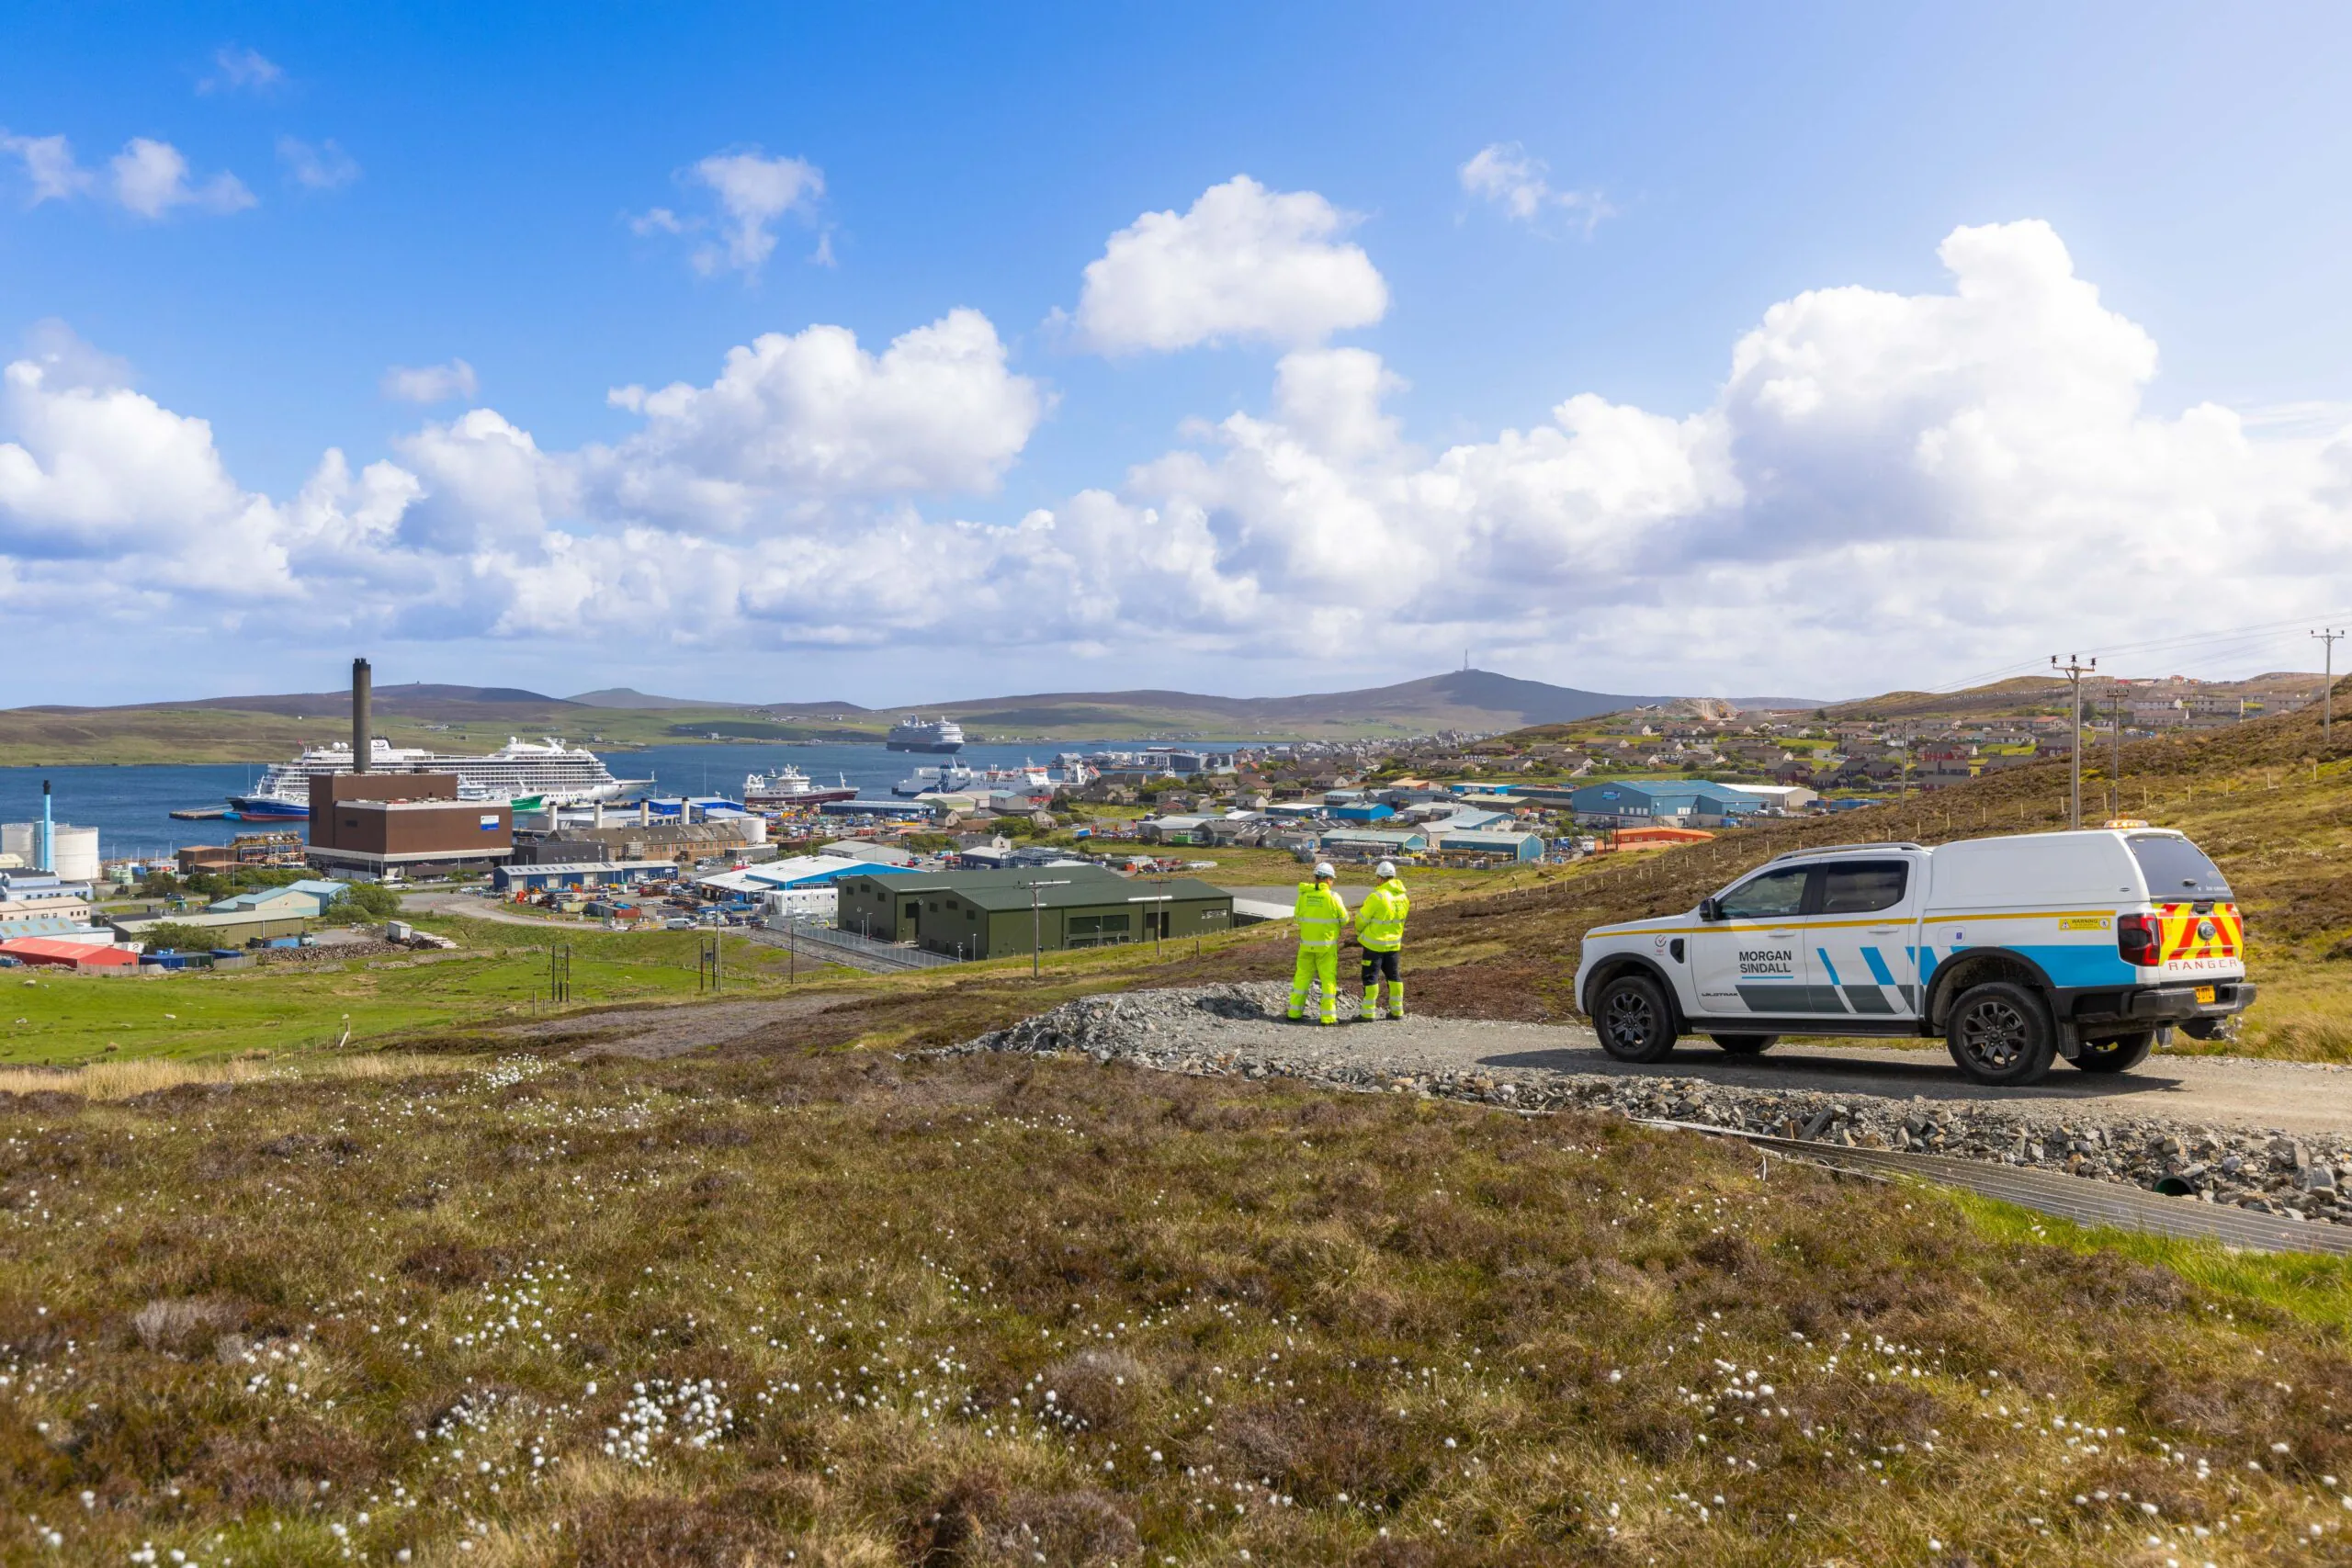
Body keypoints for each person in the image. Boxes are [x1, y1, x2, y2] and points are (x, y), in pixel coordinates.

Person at [1288, 861, 1351, 1024]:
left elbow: (1298, 918)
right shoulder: (1333, 897)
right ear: (1329, 879)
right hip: (1326, 946)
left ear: (1316, 878)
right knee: (1328, 980)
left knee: (1301, 978)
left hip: (1306, 945)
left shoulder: (1304, 896)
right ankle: (1328, 1017)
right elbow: (1345, 919)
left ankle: (1294, 1013)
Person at [1356, 859, 1410, 1020]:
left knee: (1370, 977)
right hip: (1394, 945)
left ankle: (1368, 1013)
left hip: (1374, 945)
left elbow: (1361, 919)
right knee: (1394, 976)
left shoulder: (1377, 896)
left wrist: (1359, 933)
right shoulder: (1403, 897)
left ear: (1380, 878)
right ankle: (1397, 1011)